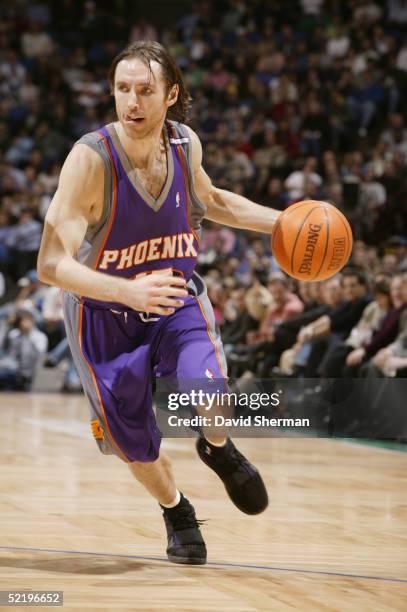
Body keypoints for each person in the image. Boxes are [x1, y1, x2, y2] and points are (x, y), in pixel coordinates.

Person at [37, 41, 280, 565]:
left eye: (145, 90)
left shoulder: (184, 143)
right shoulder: (90, 160)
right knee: (136, 445)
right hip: (103, 316)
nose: (132, 101)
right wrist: (126, 289)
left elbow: (211, 201)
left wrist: (283, 222)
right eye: (122, 89)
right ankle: (177, 509)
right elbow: (50, 264)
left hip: (173, 301)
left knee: (210, 393)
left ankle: (216, 445)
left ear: (171, 94)